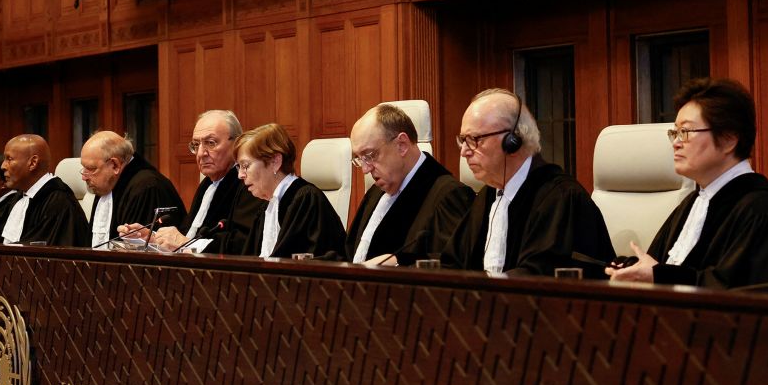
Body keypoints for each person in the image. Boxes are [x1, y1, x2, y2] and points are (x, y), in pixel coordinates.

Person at [607, 78, 768, 291]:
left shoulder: (762, 211)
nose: (676, 143)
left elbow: (737, 294)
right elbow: (657, 266)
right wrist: (631, 270)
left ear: (729, 139)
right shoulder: (694, 202)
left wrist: (660, 276)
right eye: (674, 133)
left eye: (685, 132)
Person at [442, 89, 613, 277]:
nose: (464, 151)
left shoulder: (561, 199)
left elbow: (539, 278)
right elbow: (451, 264)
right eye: (462, 140)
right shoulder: (487, 196)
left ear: (513, 141)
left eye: (474, 139)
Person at [347, 103, 474, 264]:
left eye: (370, 155)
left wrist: (397, 261)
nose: (365, 169)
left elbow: (450, 266)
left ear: (402, 145)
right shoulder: (375, 193)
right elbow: (350, 254)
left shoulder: (449, 196)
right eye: (359, 159)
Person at [128, 110, 265, 254]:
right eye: (196, 145)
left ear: (236, 144)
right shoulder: (206, 185)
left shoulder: (247, 184)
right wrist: (153, 238)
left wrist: (185, 243)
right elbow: (189, 236)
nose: (201, 154)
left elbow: (242, 244)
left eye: (210, 143)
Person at [238, 123, 348, 259]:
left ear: (275, 162)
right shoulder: (268, 206)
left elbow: (305, 265)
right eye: (239, 167)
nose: (240, 175)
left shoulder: (306, 199)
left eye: (245, 166)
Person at [80, 130, 186, 249]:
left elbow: (140, 254)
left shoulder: (147, 187)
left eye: (91, 168)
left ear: (115, 165)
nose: (84, 177)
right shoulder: (106, 183)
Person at [0, 134, 88, 246]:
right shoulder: (18, 198)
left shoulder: (59, 201)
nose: (3, 166)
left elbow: (41, 252)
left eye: (9, 159)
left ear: (33, 163)